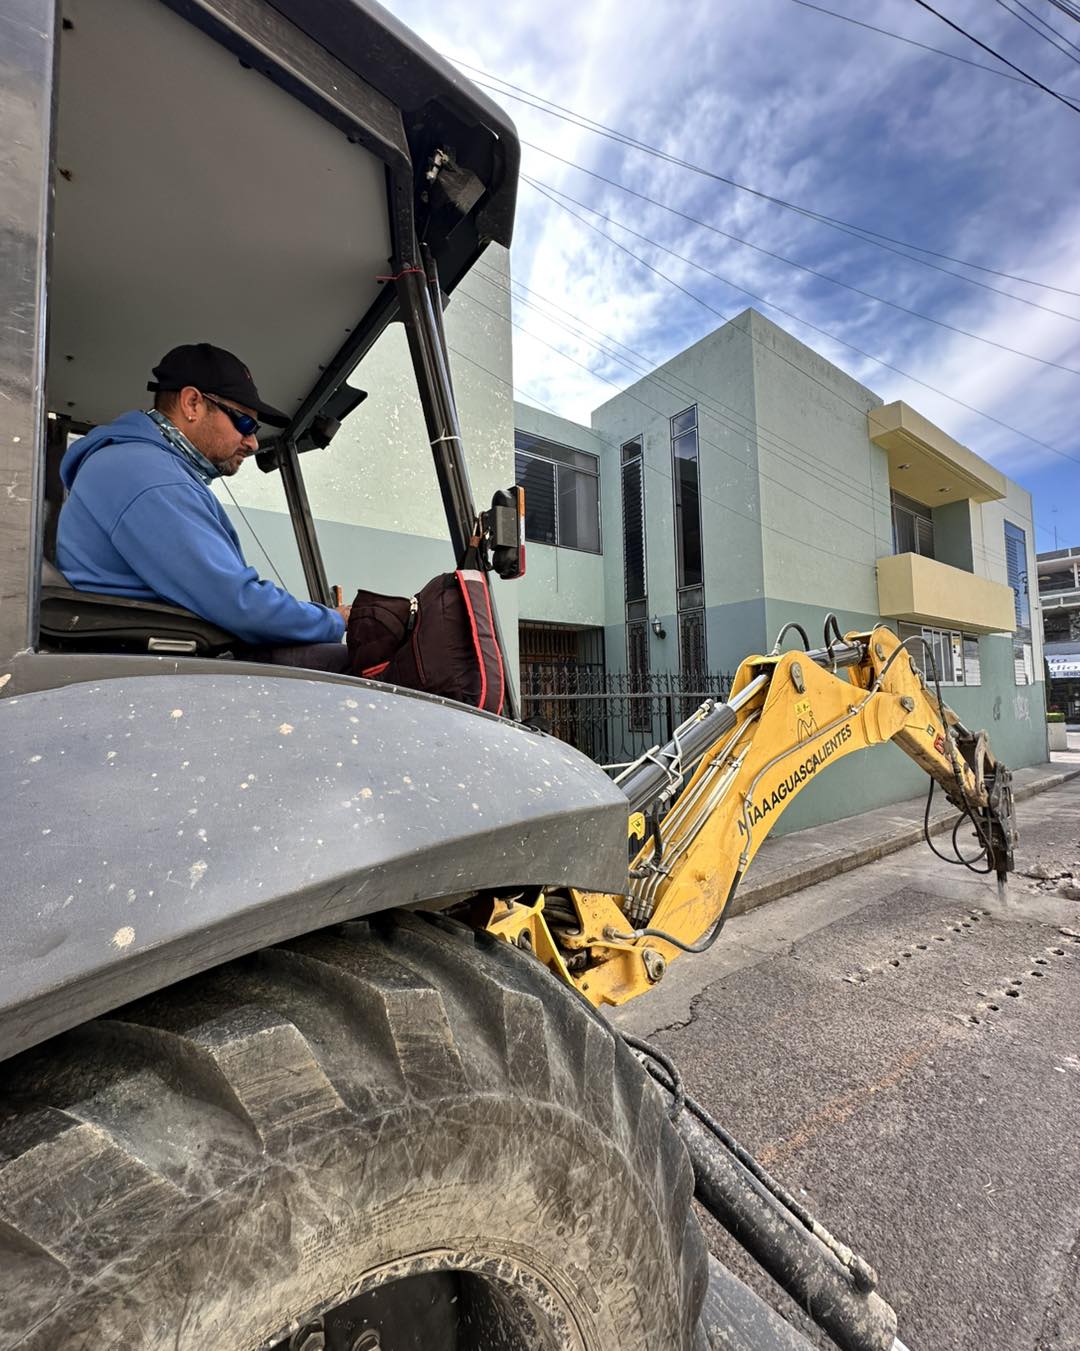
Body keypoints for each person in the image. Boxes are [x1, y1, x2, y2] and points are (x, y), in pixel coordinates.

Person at [55, 343, 351, 671]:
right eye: (245, 424)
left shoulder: (139, 467)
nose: (253, 442)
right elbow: (238, 604)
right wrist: (336, 620)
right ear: (192, 403)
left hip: (160, 658)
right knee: (363, 664)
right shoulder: (147, 474)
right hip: (156, 669)